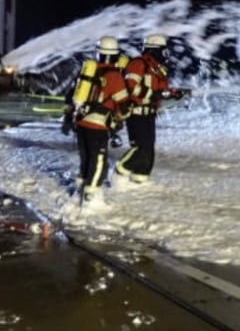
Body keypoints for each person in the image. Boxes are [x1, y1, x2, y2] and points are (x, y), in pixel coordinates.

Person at [63, 36, 130, 204]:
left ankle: (81, 186)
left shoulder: (87, 71)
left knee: (86, 158)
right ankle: (91, 197)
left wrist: (68, 118)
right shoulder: (114, 76)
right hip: (98, 125)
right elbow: (124, 106)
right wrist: (121, 119)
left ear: (98, 53)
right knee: (98, 160)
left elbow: (71, 95)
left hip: (81, 123)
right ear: (115, 55)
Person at [115, 34, 188, 185]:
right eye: (163, 50)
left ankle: (139, 180)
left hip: (149, 114)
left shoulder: (157, 70)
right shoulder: (138, 64)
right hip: (136, 113)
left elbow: (160, 91)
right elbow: (130, 86)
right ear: (154, 50)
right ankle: (119, 172)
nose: (166, 54)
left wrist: (173, 93)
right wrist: (154, 94)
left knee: (149, 150)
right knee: (141, 148)